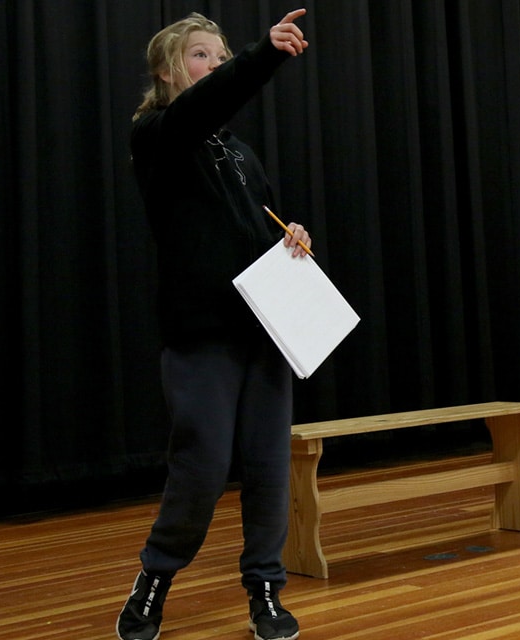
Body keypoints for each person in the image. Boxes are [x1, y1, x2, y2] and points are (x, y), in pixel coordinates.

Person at [116, 10, 310, 640]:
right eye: (202, 54)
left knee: (268, 468)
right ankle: (154, 581)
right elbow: (204, 106)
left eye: (222, 54)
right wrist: (262, 54)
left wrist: (290, 236)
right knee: (201, 468)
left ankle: (265, 591)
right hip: (201, 332)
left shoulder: (240, 153)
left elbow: (255, 227)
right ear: (168, 72)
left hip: (264, 330)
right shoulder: (157, 133)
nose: (217, 63)